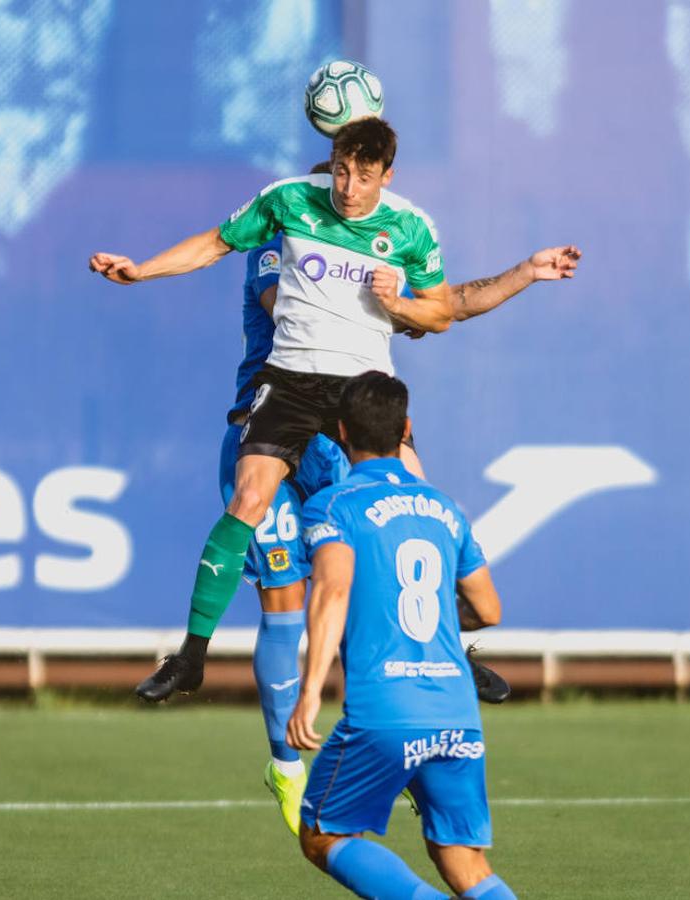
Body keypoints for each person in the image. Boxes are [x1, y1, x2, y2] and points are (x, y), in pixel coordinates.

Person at [90, 116, 578, 708]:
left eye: (362, 177)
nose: (347, 187)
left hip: (360, 388)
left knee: (412, 501)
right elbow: (215, 242)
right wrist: (142, 270)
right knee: (248, 500)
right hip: (290, 379)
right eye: (341, 172)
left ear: (386, 176)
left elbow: (442, 313)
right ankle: (191, 657)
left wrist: (401, 302)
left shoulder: (410, 228)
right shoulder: (288, 202)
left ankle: (448, 643)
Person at [286, 371, 515, 900]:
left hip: (385, 709)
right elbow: (487, 607)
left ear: (341, 432)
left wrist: (310, 690)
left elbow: (332, 591)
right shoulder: (444, 508)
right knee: (460, 857)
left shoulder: (333, 505)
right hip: (455, 708)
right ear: (406, 429)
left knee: (323, 833)